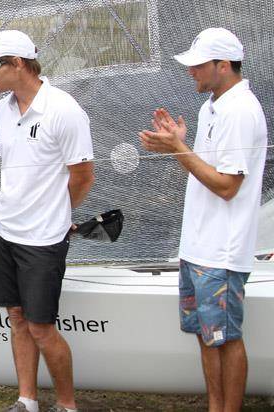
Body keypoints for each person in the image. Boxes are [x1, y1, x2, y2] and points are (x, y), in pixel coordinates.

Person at [139, 28, 267, 411]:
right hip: (198, 246)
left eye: (197, 65)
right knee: (205, 334)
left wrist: (179, 148)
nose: (190, 72)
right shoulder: (212, 106)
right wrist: (181, 146)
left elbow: (227, 186)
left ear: (223, 66)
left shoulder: (241, 111)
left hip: (222, 250)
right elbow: (206, 174)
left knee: (224, 337)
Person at [0, 30, 95, 412]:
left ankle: (66, 405)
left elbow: (83, 174)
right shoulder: (0, 109)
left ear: (19, 64)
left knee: (41, 326)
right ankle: (27, 400)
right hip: (4, 228)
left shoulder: (65, 109)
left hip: (43, 238)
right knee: (17, 317)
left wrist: (59, 214)